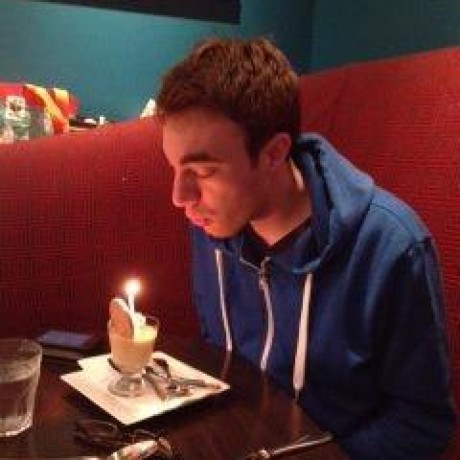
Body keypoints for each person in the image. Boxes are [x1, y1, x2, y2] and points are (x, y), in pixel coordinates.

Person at [156, 37, 456, 459]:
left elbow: (422, 424)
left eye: (203, 171)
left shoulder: (392, 247)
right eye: (173, 167)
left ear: (274, 153)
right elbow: (218, 357)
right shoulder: (212, 225)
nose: (179, 197)